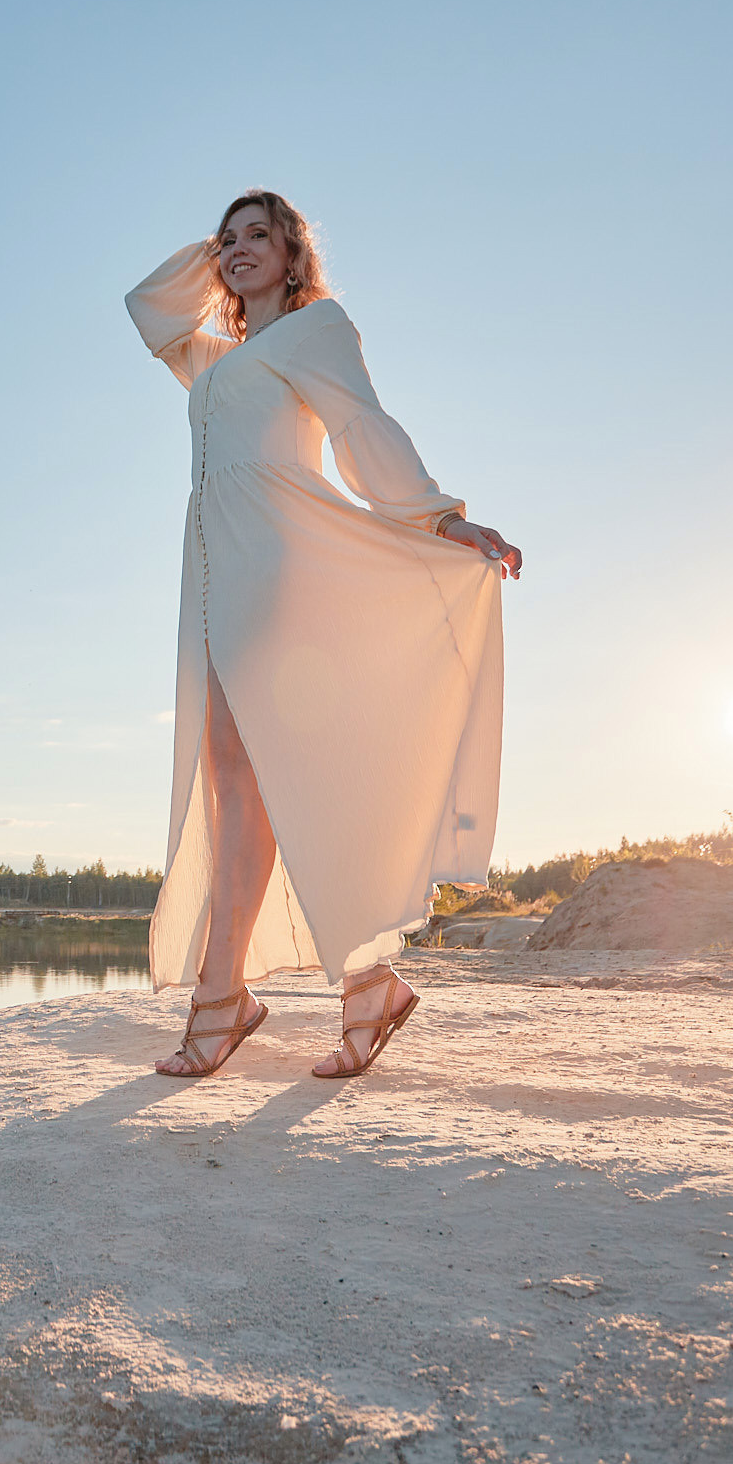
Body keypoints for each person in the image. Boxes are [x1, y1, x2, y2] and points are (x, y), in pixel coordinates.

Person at [127, 190, 521, 1080]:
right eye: (225, 240)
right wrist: (216, 257)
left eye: (256, 235)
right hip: (214, 581)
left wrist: (441, 520)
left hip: (279, 572)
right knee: (240, 783)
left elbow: (360, 426)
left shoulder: (314, 331)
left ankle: (231, 1000)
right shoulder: (216, 357)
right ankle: (341, 985)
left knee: (265, 779)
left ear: (296, 250)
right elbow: (147, 308)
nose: (235, 250)